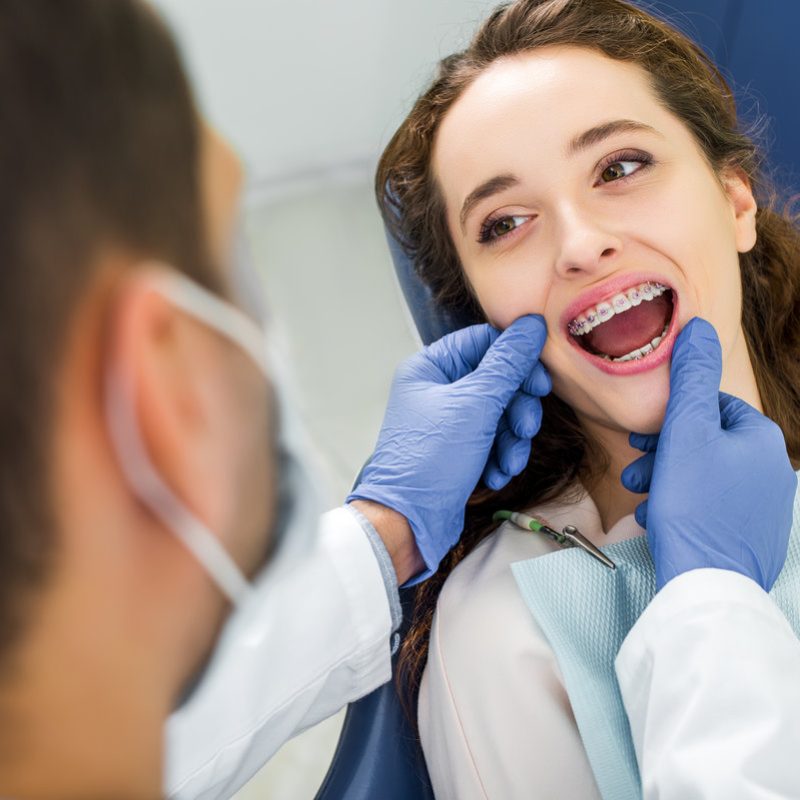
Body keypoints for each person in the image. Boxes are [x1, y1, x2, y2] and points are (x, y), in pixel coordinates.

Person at [0, 2, 553, 798]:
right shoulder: (491, 646)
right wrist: (714, 611)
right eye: (230, 260)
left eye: (621, 169)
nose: (583, 245)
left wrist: (387, 535)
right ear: (169, 396)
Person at [375, 0, 800, 796]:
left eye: (620, 167)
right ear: (486, 318)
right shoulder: (502, 632)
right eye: (505, 222)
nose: (579, 244)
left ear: (736, 201)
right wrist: (714, 592)